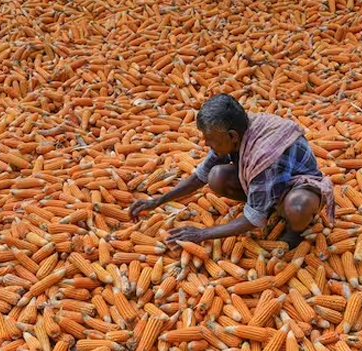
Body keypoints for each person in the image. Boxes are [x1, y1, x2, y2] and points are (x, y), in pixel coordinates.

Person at [129, 94, 334, 249]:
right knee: (215, 177)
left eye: (209, 138)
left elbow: (252, 220)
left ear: (232, 136)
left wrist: (201, 234)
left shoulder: (264, 156)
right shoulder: (235, 133)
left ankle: (296, 230)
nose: (205, 143)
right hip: (269, 182)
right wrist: (157, 201)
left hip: (299, 187)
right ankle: (265, 203)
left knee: (298, 206)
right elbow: (199, 177)